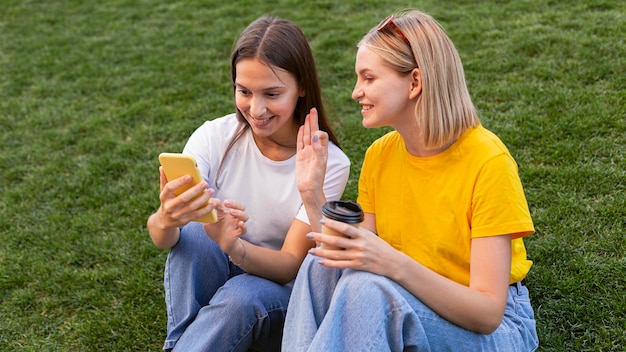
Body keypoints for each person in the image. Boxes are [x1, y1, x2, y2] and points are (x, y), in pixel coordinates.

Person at [282, 10, 538, 351]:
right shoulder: (380, 155)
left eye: (368, 78)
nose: (356, 92)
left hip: (498, 328)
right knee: (319, 265)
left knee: (367, 291)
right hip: (408, 297)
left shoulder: (488, 162)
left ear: (415, 82)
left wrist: (391, 262)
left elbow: (487, 312)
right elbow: (350, 259)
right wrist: (311, 193)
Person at [146, 16, 350, 352]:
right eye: (244, 91)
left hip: (278, 295)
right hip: (220, 273)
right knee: (196, 232)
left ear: (301, 87)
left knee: (241, 294)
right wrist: (167, 219)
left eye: (272, 94)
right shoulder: (214, 136)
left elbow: (289, 266)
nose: (256, 110)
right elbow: (162, 237)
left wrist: (234, 247)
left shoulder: (327, 163)